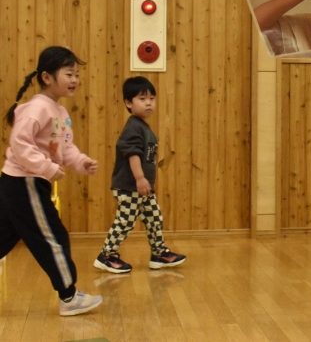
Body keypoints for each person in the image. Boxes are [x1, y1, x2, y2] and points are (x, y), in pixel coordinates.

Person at [0, 46, 103, 316]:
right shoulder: (37, 109)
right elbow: (20, 143)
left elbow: (64, 147)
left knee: (4, 235)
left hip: (23, 183)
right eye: (69, 74)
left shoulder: (59, 112)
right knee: (53, 237)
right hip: (25, 183)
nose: (75, 79)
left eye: (77, 74)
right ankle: (69, 296)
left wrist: (81, 161)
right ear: (47, 77)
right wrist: (46, 167)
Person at [94, 76, 186, 274]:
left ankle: (158, 253)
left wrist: (145, 183)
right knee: (125, 221)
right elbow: (132, 153)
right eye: (142, 99)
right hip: (129, 186)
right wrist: (140, 178)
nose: (148, 103)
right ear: (129, 103)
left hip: (142, 188)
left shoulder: (143, 127)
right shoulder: (133, 126)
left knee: (154, 218)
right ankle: (107, 255)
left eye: (152, 98)